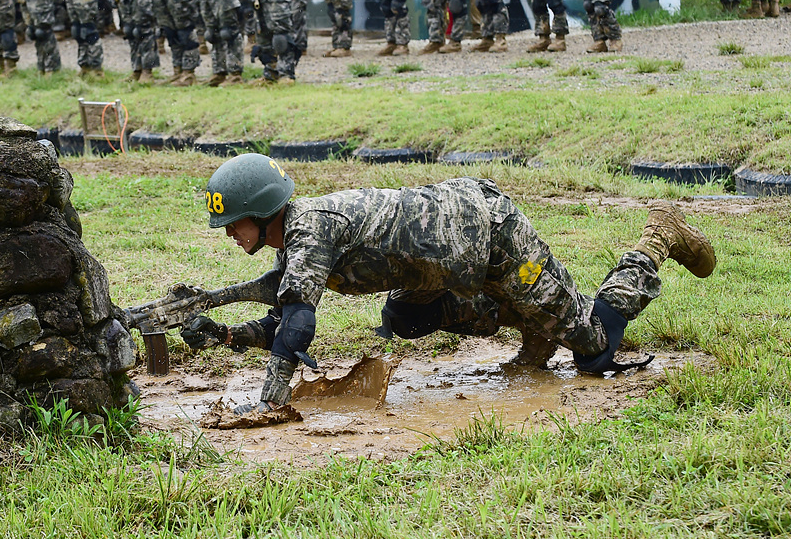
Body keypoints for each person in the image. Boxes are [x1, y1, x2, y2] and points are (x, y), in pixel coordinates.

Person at [181, 153, 716, 415]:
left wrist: (269, 404)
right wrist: (225, 336)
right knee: (405, 319)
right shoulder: (296, 240)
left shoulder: (309, 230)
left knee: (595, 351)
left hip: (492, 236)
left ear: (260, 210)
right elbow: (280, 319)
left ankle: (656, 240)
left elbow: (297, 327)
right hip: (445, 266)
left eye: (233, 223)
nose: (229, 234)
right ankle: (536, 324)